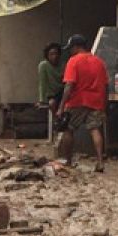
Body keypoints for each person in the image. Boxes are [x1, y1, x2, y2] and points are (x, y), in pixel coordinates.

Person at [56, 34, 109, 172]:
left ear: (76, 47)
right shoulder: (99, 62)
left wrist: (62, 106)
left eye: (71, 48)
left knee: (69, 129)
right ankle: (100, 162)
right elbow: (106, 85)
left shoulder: (73, 61)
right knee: (95, 129)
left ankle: (67, 160)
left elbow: (69, 85)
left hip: (77, 101)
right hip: (96, 101)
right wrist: (105, 104)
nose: (69, 51)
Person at [37, 42, 65, 113]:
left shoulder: (63, 65)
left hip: (63, 92)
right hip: (52, 94)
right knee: (52, 103)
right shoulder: (44, 65)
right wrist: (41, 100)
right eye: (51, 54)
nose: (54, 56)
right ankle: (55, 120)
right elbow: (42, 83)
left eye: (56, 53)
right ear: (47, 55)